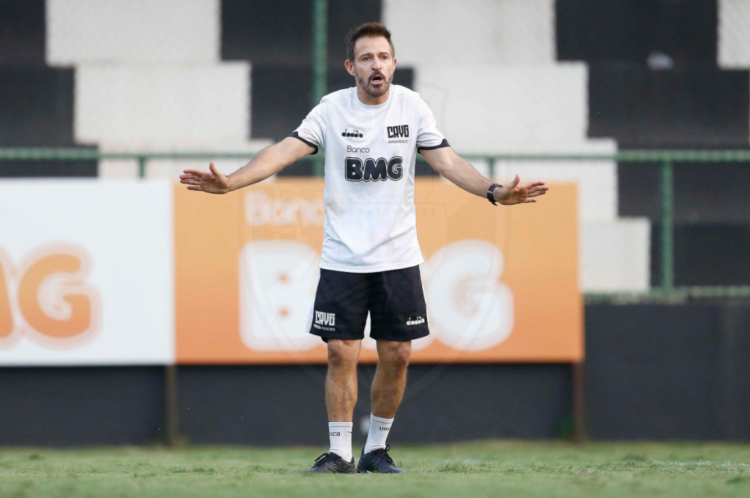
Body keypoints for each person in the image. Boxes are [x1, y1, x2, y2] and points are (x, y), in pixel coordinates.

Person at [180, 22, 549, 474]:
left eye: (384, 57)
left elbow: (448, 162)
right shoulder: (332, 110)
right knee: (341, 351)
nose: (377, 65)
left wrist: (494, 191)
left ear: (394, 63)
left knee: (398, 353)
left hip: (399, 258)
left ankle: (376, 449)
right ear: (351, 67)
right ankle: (338, 453)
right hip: (343, 259)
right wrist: (231, 182)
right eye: (368, 58)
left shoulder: (412, 107)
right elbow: (284, 151)